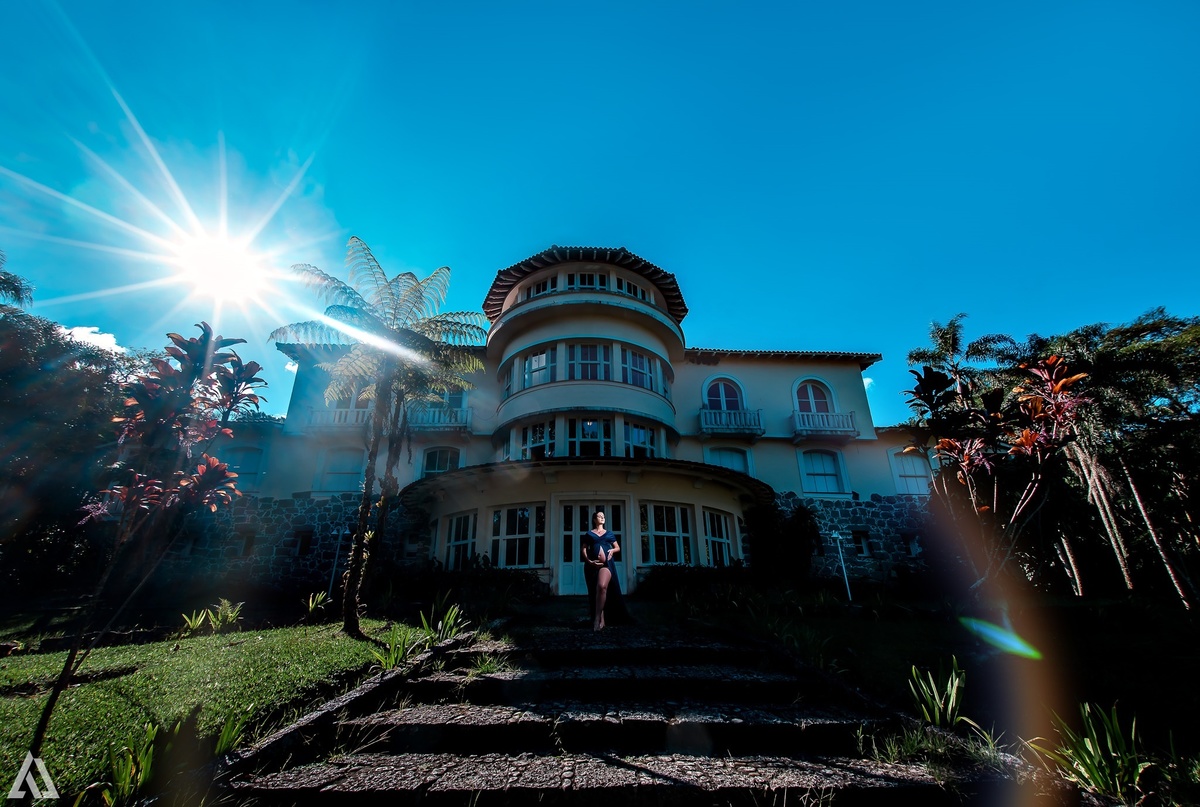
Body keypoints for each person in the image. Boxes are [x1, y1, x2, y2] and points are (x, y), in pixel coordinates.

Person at [584, 510, 625, 631]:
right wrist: (589, 561)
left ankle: (597, 619)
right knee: (596, 591)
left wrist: (612, 551)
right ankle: (601, 617)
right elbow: (584, 549)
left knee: (602, 587)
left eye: (603, 516)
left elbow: (617, 547)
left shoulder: (609, 534)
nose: (602, 517)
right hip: (592, 566)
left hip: (606, 565)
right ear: (594, 519)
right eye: (599, 516)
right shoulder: (589, 534)